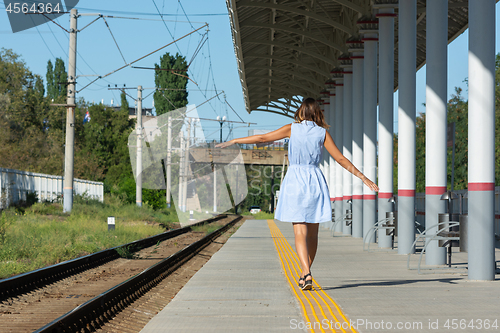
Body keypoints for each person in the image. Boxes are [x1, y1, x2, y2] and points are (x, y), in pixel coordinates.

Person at [215, 98, 379, 290]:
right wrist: (363, 177)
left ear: (301, 112)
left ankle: (306, 273)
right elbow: (340, 159)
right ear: (317, 113)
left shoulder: (292, 128)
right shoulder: (322, 133)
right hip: (315, 180)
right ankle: (305, 273)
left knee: (299, 231)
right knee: (313, 233)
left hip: (295, 180)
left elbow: (262, 139)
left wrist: (235, 140)